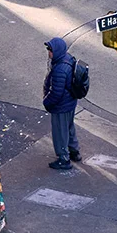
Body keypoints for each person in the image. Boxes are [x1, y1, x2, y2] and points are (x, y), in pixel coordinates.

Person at [43, 37, 81, 170]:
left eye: (50, 50)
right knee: (69, 128)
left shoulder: (59, 69)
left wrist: (47, 102)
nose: (49, 52)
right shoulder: (68, 59)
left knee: (60, 131)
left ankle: (63, 158)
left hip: (61, 106)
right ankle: (74, 151)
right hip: (70, 102)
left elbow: (56, 93)